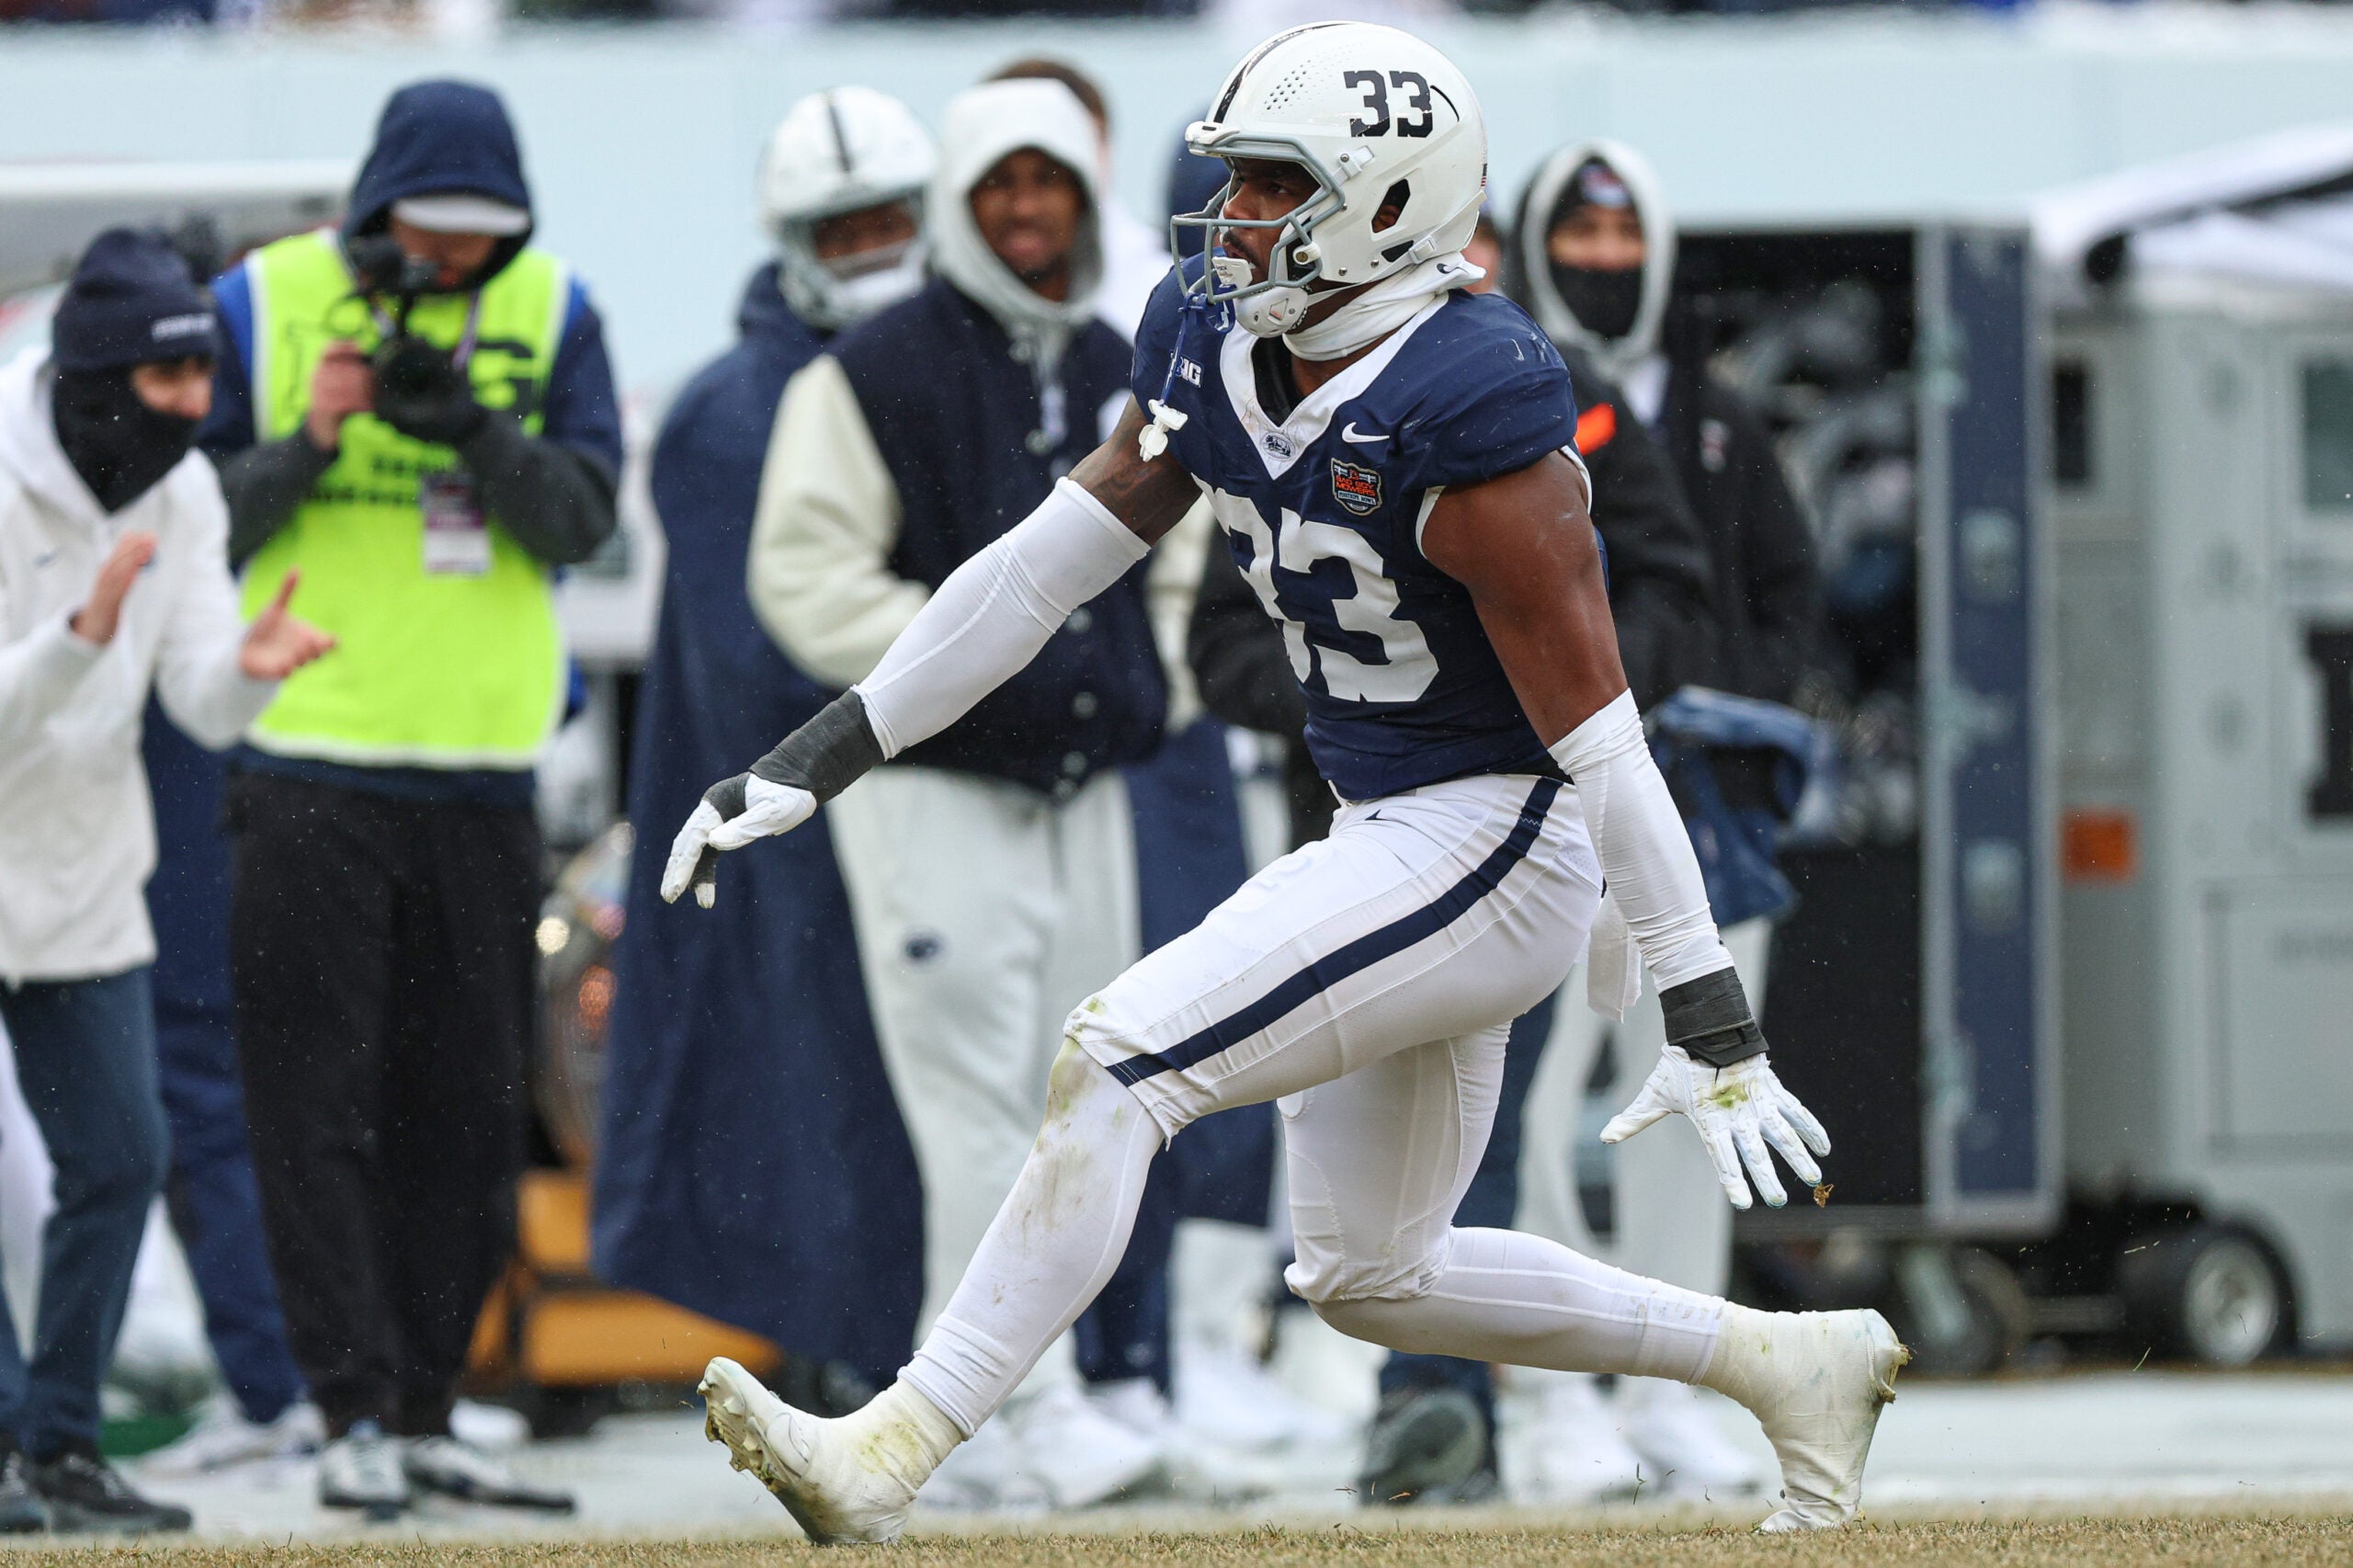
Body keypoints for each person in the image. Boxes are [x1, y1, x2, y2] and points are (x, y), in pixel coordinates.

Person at [676, 22, 1903, 1542]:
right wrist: (827, 752)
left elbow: (1603, 740)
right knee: (1372, 1274)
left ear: (1387, 202)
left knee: (1122, 1058)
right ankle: (1790, 1365)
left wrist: (1705, 1008)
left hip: (1500, 841)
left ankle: (897, 1443)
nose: (1234, 214)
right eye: (1235, 179)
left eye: (1271, 182)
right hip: (1395, 831)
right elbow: (1043, 567)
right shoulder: (1220, 345)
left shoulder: (1477, 414)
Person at [745, 76, 1173, 1510]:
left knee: (1096, 1095)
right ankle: (1002, 1412)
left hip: (1086, 787)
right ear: (961, 203)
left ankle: (1046, 1397)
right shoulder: (871, 369)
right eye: (1000, 186)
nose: (1028, 211)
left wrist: (1126, 667)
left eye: (1049, 182)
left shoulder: (1127, 357)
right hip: (934, 794)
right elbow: (801, 575)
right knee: (973, 1110)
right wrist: (966, 662)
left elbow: (1185, 555)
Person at [198, 79, 622, 1519]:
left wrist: (475, 437)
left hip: (480, 775)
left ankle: (433, 1402)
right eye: (425, 240)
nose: (448, 267)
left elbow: (585, 516)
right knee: (313, 1108)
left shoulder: (556, 307)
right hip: (303, 758)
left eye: (476, 244)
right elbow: (190, 529)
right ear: (374, 212)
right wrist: (312, 442)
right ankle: (343, 1412)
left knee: (468, 1108)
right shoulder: (261, 302)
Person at [595, 86, 938, 1407]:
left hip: (913, 787)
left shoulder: (930, 363)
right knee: (820, 1102)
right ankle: (856, 1370)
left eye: (889, 220)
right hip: (792, 810)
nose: (870, 248)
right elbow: (770, 647)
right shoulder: (729, 411)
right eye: (842, 228)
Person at [1503, 140, 1825, 1503]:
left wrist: (1721, 710)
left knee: (1705, 1093)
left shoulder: (1718, 419)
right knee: (1521, 1100)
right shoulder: (1495, 388)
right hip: (1549, 804)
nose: (1603, 265)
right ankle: (1549, 1391)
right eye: (1575, 242)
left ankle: (1674, 1380)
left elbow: (1781, 587)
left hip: (1696, 808)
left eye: (1623, 243)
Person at [0, 227, 333, 1533]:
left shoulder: (183, 489)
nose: (197, 410)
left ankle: (59, 1445)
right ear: (94, 380)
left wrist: (252, 666)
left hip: (84, 877)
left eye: (206, 380)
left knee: (121, 1156)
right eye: (170, 382)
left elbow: (198, 703)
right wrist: (77, 642)